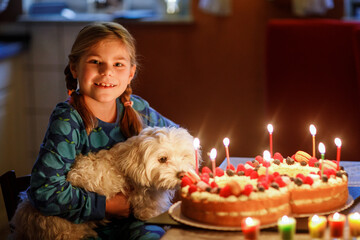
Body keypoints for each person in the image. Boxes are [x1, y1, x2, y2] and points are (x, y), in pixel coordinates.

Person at [27, 22, 177, 240]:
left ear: (131, 72)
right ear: (74, 67)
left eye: (118, 64)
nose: (107, 72)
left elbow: (179, 138)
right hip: (81, 226)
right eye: (95, 62)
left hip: (134, 220)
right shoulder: (68, 120)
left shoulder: (138, 109)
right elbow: (44, 191)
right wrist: (105, 205)